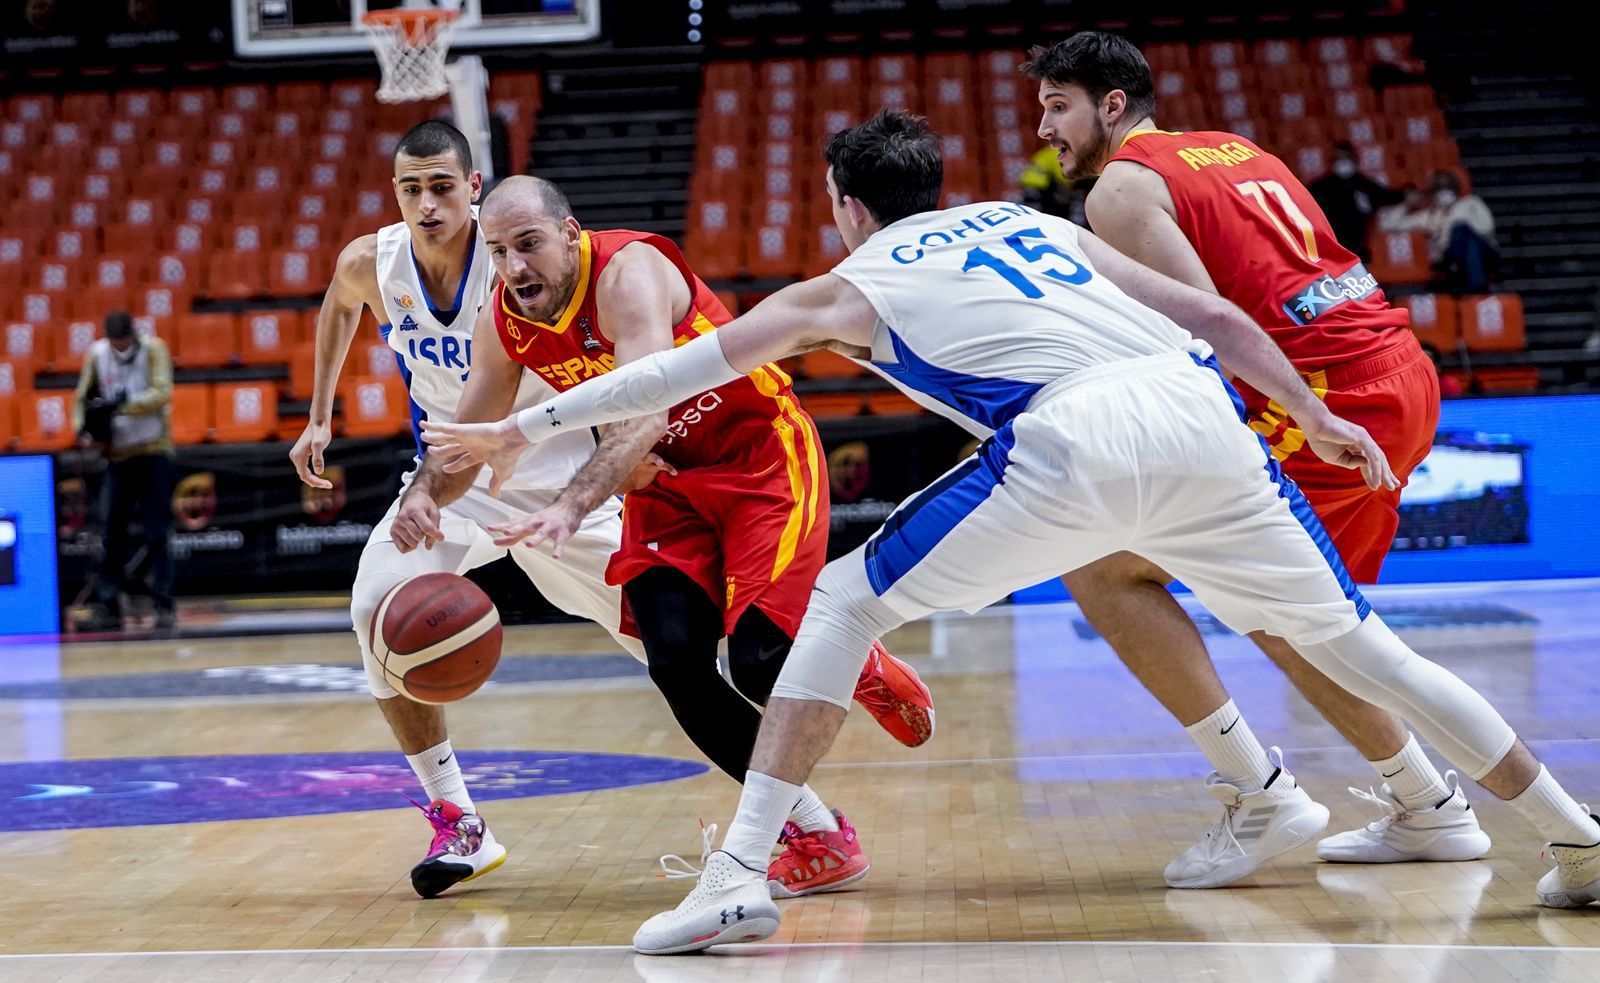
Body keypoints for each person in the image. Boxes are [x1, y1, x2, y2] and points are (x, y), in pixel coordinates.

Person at [421, 111, 1600, 954]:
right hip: (1204, 417)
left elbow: (676, 368)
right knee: (1360, 646)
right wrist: (1308, 411)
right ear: (939, 181)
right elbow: (1203, 310)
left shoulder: (848, 283)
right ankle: (1572, 834)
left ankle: (739, 880)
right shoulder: (1031, 221)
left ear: (846, 203)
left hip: (1073, 440)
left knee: (837, 605)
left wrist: (529, 427)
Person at [1025, 31, 1485, 887]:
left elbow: (1204, 325)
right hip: (1396, 367)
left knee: (1112, 572)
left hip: (1324, 394)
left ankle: (1362, 801)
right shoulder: (1237, 147)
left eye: (1058, 107)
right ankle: (1428, 804)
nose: (1043, 129)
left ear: (1112, 105)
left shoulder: (1120, 191)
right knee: (1311, 620)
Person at [444, 174, 935, 899]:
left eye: (529, 244)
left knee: (763, 661)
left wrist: (570, 504)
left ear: (570, 233)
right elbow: (467, 437)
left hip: (757, 455)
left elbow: (645, 406)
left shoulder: (629, 272)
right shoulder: (507, 319)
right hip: (663, 485)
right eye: (498, 251)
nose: (515, 266)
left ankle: (858, 663)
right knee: (675, 661)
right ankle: (815, 834)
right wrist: (418, 505)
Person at [288, 120, 650, 900]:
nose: (426, 204)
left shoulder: (513, 259)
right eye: (411, 189)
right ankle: (460, 821)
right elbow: (336, 307)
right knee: (373, 609)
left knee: (670, 645)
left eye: (442, 187)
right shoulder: (371, 261)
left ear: (473, 188)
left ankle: (799, 809)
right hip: (450, 483)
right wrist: (319, 413)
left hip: (559, 483)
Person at [73, 310, 176, 631]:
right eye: (114, 343)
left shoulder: (154, 349)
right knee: (111, 533)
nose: (120, 348)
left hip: (152, 451)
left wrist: (123, 405)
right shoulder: (97, 354)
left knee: (157, 532)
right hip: (118, 456)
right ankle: (109, 604)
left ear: (133, 335)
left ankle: (163, 603)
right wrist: (83, 428)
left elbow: (163, 393)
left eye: (124, 342)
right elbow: (80, 398)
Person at [1308, 141, 1402, 261]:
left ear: (1354, 159)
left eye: (1346, 158)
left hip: (1359, 247)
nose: (1342, 162)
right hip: (1330, 247)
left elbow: (1387, 197)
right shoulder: (1320, 187)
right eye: (1338, 158)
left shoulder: (1365, 184)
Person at [1424, 169, 1498, 293]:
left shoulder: (1471, 203)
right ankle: (1477, 287)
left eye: (1447, 187)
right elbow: (1393, 223)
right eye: (1440, 188)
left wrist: (1464, 227)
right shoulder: (1433, 213)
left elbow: (1487, 228)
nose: (1444, 192)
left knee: (1463, 232)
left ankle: (1456, 266)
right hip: (1448, 255)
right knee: (1469, 246)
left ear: (1455, 188)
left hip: (1484, 250)